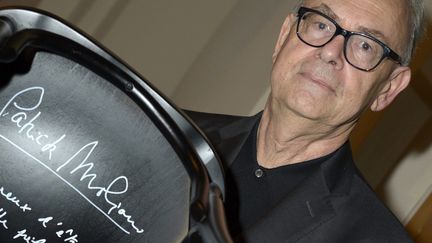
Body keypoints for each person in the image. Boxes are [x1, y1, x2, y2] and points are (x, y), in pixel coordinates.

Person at [187, 0, 424, 242]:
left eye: (365, 45)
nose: (330, 52)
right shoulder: (168, 135)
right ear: (283, 38)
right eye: (321, 24)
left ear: (388, 88)